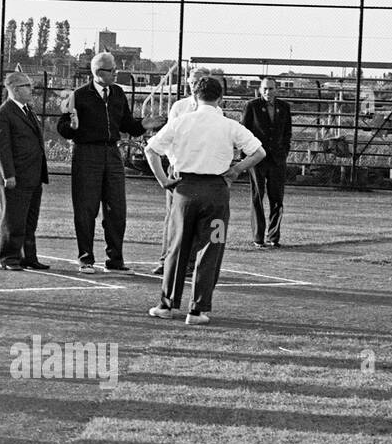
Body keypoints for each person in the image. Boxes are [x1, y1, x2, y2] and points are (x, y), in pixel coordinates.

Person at [144, 76, 265, 326]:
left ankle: (167, 304)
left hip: (184, 190)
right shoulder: (229, 125)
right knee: (211, 249)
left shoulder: (180, 121)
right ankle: (198, 310)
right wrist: (237, 169)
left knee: (177, 247)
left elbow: (150, 150)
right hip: (216, 192)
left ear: (195, 97)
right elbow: (259, 152)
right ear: (220, 98)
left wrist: (164, 181)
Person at [56, 52, 147, 273]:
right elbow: (63, 127)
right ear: (98, 72)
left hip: (112, 154)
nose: (115, 73)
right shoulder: (79, 95)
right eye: (111, 70)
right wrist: (73, 128)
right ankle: (86, 258)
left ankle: (115, 259)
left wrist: (144, 124)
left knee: (117, 208)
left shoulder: (117, 93)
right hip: (87, 154)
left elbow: (126, 124)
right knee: (86, 208)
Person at [150, 67, 208, 276]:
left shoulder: (213, 109)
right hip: (178, 168)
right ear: (187, 82)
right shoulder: (179, 106)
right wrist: (174, 162)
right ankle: (166, 259)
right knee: (172, 216)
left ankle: (190, 262)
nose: (195, 85)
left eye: (200, 81)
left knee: (196, 217)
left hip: (200, 171)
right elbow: (167, 138)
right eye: (193, 81)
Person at [0, 71, 49, 271]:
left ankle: (28, 256)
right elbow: (0, 147)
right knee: (13, 218)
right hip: (15, 175)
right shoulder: (4, 113)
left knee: (29, 220)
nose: (31, 89)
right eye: (26, 86)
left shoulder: (27, 110)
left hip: (32, 174)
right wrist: (9, 174)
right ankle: (9, 257)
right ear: (15, 89)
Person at [241, 77, 293, 248]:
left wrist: (284, 152)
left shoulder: (284, 108)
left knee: (277, 198)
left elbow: (287, 133)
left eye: (271, 89)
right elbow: (244, 132)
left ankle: (274, 236)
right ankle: (258, 237)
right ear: (260, 89)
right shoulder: (252, 106)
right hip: (257, 158)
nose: (267, 92)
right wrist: (246, 158)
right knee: (257, 196)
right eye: (265, 88)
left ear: (276, 90)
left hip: (277, 159)